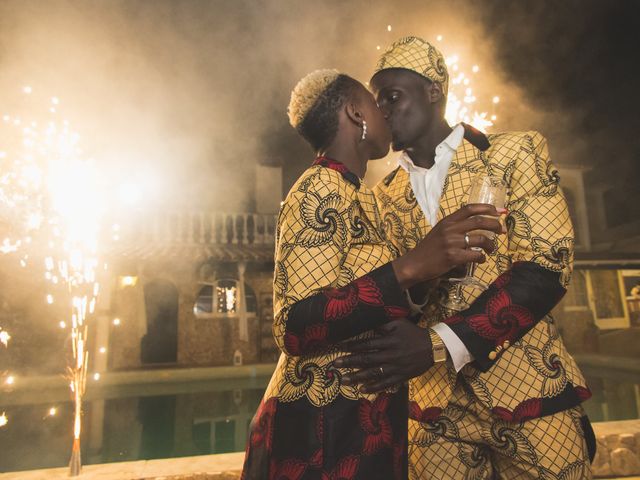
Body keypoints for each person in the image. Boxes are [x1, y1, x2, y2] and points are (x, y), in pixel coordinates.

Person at [334, 37, 596, 479]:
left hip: (529, 390)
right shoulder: (380, 199)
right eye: (376, 102)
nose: (382, 111)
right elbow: (394, 293)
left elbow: (546, 268)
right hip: (434, 409)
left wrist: (439, 343)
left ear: (433, 91)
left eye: (392, 96)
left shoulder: (513, 153)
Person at [240, 69, 503, 479]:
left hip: (362, 423)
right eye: (376, 104)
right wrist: (411, 265)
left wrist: (430, 273)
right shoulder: (319, 188)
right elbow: (293, 326)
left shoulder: (360, 196)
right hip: (322, 433)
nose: (386, 113)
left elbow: (365, 299)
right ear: (356, 112)